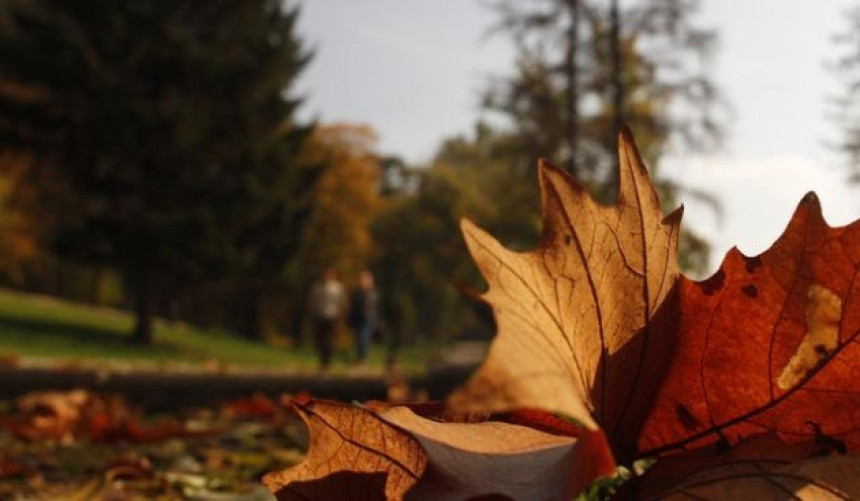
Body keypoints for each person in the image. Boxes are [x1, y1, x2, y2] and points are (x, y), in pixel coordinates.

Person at [308, 266, 346, 370]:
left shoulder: (338, 288)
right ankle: (322, 359)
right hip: (320, 315)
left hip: (332, 316)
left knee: (329, 339)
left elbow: (341, 303)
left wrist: (340, 315)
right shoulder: (317, 288)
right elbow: (313, 301)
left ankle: (327, 360)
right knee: (319, 338)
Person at [347, 270, 379, 365]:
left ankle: (363, 358)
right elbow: (352, 306)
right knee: (359, 338)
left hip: (369, 318)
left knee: (365, 337)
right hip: (358, 318)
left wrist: (378, 319)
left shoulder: (373, 293)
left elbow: (377, 307)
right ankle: (360, 357)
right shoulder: (356, 292)